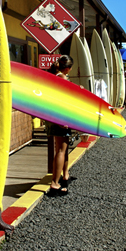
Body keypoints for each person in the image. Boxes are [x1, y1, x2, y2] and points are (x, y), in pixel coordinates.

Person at [45, 55, 74, 197]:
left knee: (63, 148)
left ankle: (65, 176)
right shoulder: (62, 77)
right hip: (60, 118)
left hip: (52, 117)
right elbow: (64, 99)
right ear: (68, 68)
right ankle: (55, 183)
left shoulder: (52, 75)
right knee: (61, 150)